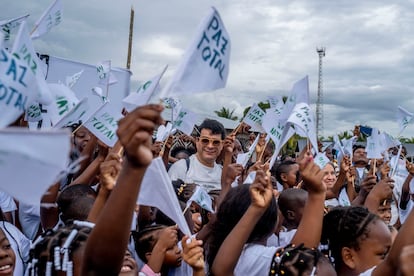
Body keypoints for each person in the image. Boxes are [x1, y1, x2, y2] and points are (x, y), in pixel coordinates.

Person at [208, 149, 327, 275]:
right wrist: (316, 194)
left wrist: (255, 209)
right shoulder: (258, 258)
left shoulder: (216, 250)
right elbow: (298, 260)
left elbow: (220, 270)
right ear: (272, 221)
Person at [168, 119, 226, 192]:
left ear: (222, 145)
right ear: (197, 141)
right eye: (205, 141)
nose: (210, 146)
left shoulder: (224, 174)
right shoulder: (181, 168)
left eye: (216, 142)